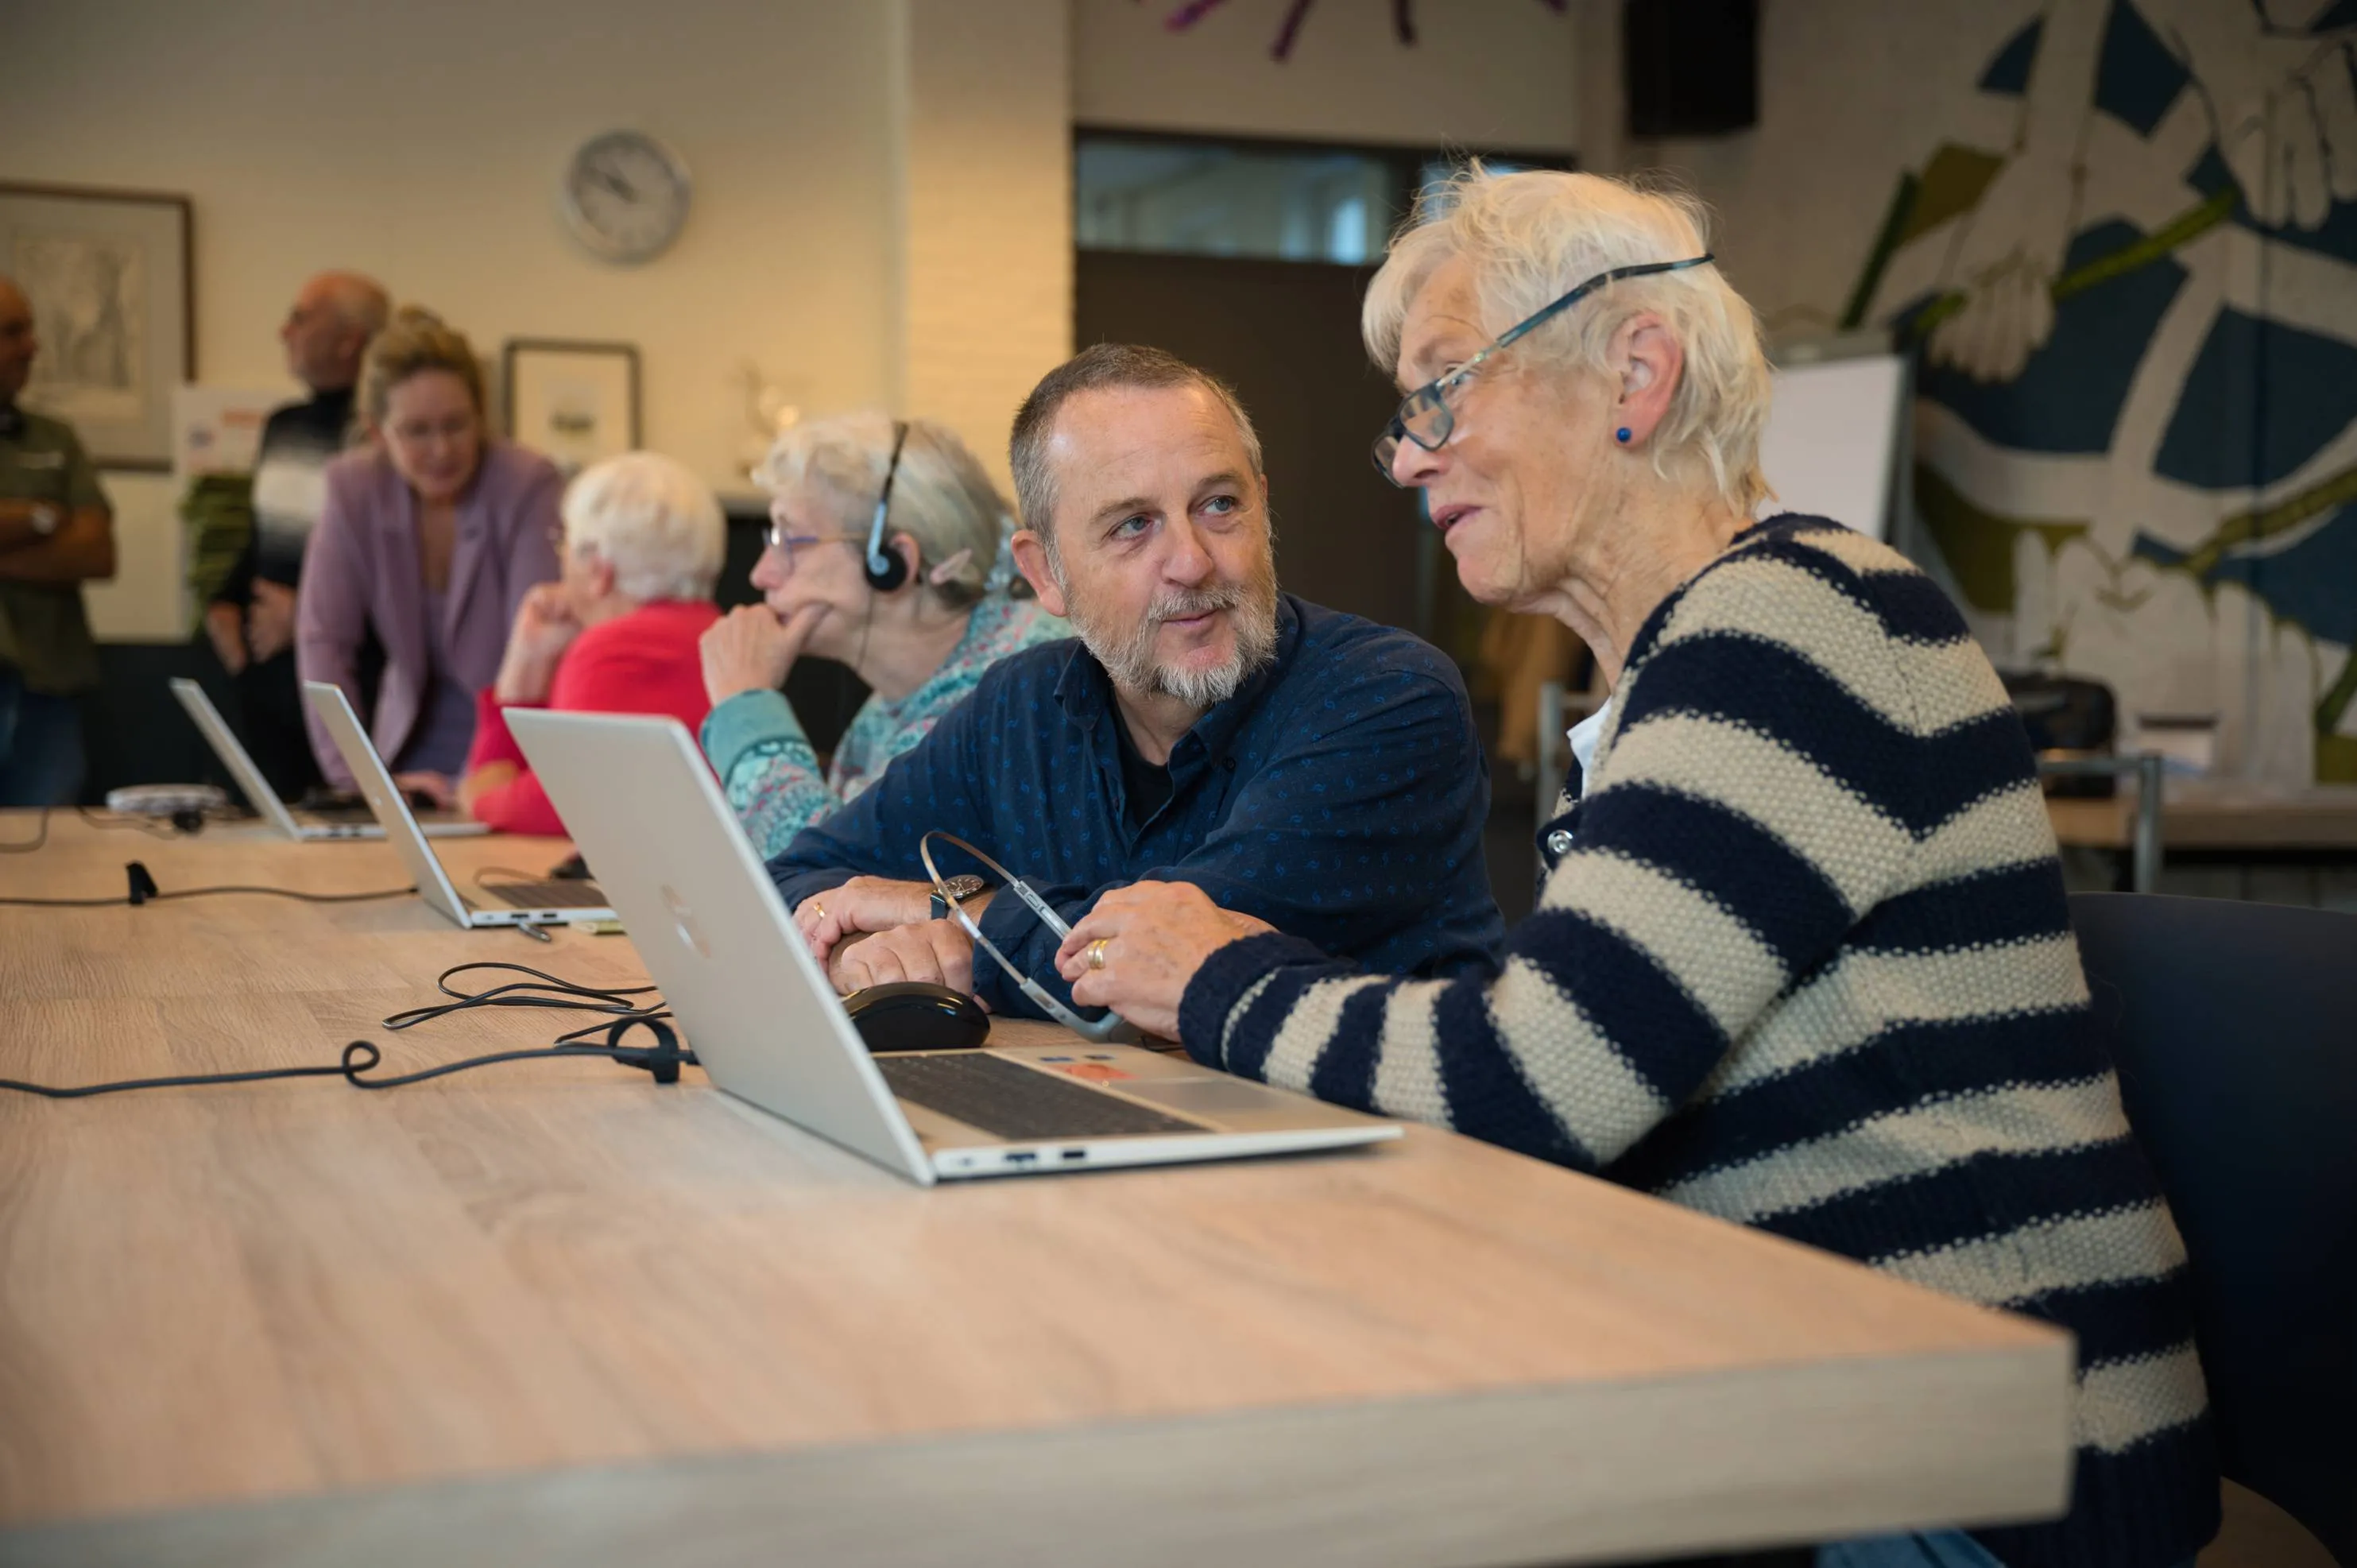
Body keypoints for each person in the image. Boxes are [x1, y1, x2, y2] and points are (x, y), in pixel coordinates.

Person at [1050, 171, 2216, 1568]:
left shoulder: (1791, 627)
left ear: (1635, 375)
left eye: (1439, 392)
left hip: (1995, 1474)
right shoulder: (1682, 674)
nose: (1411, 457)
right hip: (1813, 1407)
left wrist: (1217, 973)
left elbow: (1538, 1080)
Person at [771, 343, 1505, 1023]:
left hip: (1380, 1152)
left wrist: (944, 915)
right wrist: (854, 947)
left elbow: (1149, 965)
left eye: (1220, 505)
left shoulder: (1389, 701)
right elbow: (792, 879)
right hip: (1112, 1127)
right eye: (1133, 525)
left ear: (1263, 507)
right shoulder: (1018, 708)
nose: (1191, 562)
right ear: (1045, 573)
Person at [699, 412, 1066, 858]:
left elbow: (825, 873)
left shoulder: (1008, 687)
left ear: (891, 559)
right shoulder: (890, 708)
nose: (761, 574)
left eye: (790, 541)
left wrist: (747, 706)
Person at [296, 308, 561, 804]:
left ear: (481, 417)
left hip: (507, 760)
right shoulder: (352, 490)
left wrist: (473, 786)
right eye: (417, 431)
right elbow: (324, 644)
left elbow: (537, 653)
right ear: (379, 433)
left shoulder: (528, 484)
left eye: (456, 425)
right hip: (405, 762)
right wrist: (362, 784)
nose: (441, 450)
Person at [459, 451, 725, 834]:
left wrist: (479, 797)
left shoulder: (612, 647)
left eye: (563, 541)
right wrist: (527, 661)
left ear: (598, 569)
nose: (560, 558)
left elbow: (555, 804)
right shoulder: (715, 632)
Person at [203, 271, 390, 800]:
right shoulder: (282, 424)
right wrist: (222, 600)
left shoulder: (382, 435)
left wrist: (309, 614)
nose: (284, 331)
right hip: (264, 679)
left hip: (347, 680)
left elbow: (395, 571)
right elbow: (265, 536)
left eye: (301, 317)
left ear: (349, 339)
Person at [0, 273, 116, 807]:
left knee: (55, 859)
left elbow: (96, 550)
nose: (32, 346)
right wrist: (45, 519)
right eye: (12, 331)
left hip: (49, 688)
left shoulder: (55, 438)